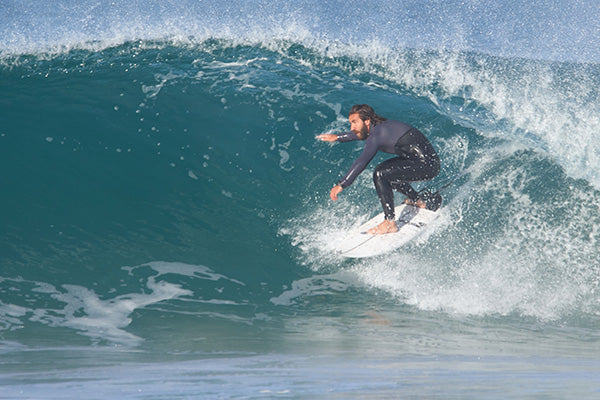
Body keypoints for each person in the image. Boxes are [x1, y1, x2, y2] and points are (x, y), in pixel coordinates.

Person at [317, 104, 440, 234]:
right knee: (388, 172)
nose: (351, 127)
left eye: (354, 122)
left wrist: (342, 184)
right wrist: (338, 137)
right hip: (421, 161)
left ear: (367, 121)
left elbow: (361, 161)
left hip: (428, 166)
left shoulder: (376, 136)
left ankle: (389, 223)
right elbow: (361, 133)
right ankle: (418, 201)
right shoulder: (378, 126)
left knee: (381, 174)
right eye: (350, 123)